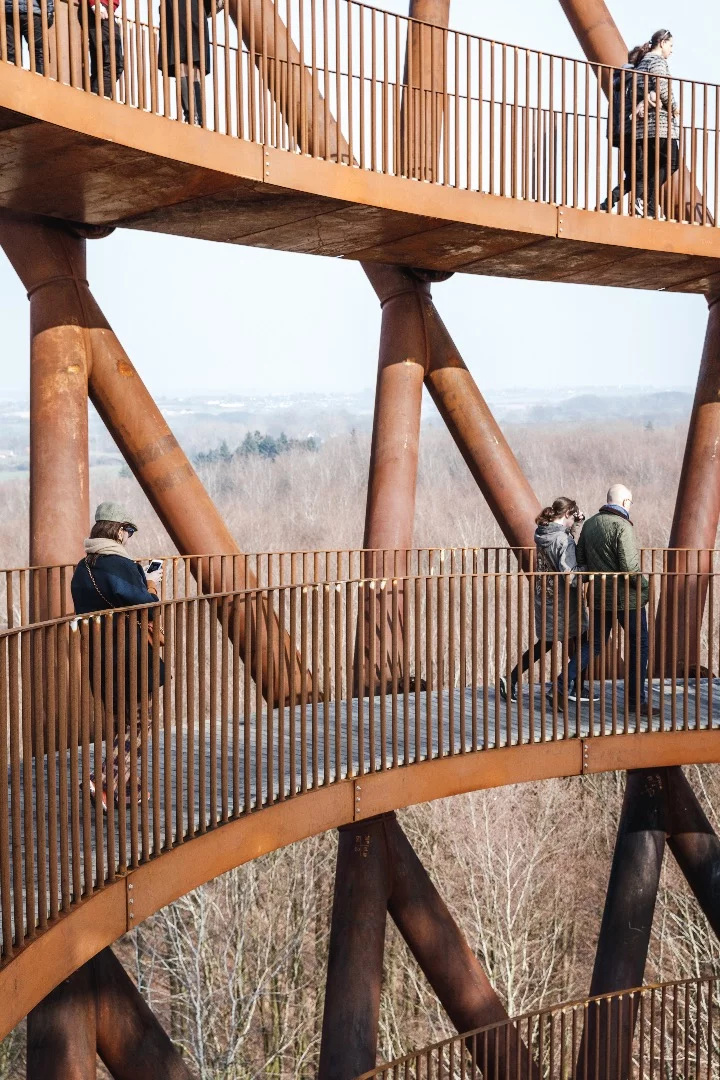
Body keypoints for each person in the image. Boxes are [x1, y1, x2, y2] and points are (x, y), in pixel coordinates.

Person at [71, 502, 164, 811]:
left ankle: (125, 786)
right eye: (130, 530)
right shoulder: (119, 565)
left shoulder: (83, 567)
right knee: (141, 722)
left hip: (99, 654)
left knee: (125, 720)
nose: (130, 536)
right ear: (118, 530)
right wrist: (152, 582)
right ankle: (102, 779)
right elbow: (145, 605)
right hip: (128, 653)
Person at [499, 497, 591, 704]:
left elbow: (563, 547)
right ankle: (574, 688)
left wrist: (577, 524)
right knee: (583, 641)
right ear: (567, 514)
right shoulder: (562, 540)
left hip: (545, 597)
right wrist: (592, 570)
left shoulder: (543, 533)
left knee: (546, 643)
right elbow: (571, 573)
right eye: (572, 516)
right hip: (564, 601)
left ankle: (511, 679)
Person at [576, 484, 657, 716]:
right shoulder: (623, 526)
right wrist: (644, 587)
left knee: (595, 643)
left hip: (600, 596)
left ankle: (562, 685)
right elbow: (630, 567)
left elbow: (581, 558)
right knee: (639, 645)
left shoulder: (590, 523)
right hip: (626, 599)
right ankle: (635, 702)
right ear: (624, 503)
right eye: (630, 502)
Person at [633, 29, 680, 219]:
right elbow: (662, 87)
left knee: (657, 163)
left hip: (645, 125)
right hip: (659, 124)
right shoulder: (657, 61)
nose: (671, 50)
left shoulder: (642, 62)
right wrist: (674, 107)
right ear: (662, 43)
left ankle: (648, 206)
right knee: (672, 161)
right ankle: (645, 200)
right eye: (670, 45)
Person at [601, 46, 646, 213]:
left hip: (619, 132)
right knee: (640, 172)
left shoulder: (618, 79)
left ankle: (609, 203)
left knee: (633, 173)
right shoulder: (635, 78)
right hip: (633, 131)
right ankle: (637, 206)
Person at [161, 0, 211, 125]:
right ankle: (199, 118)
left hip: (174, 12)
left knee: (181, 62)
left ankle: (191, 116)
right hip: (194, 12)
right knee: (194, 64)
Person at [78, 0, 124, 99]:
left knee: (103, 65)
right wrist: (95, 3)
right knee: (113, 64)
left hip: (103, 8)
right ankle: (97, 104)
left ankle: (93, 102)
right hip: (98, 6)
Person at [4, 0, 53, 75]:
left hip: (8, 10)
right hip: (29, 10)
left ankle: (12, 79)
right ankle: (40, 81)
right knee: (40, 52)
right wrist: (49, 11)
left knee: (9, 52)